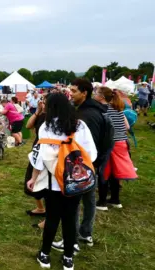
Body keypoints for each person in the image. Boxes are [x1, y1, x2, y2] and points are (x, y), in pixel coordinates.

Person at [26, 93, 97, 270]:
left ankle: (45, 255)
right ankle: (68, 258)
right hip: (75, 181)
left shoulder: (46, 127)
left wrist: (33, 178)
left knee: (52, 218)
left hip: (54, 183)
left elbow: (39, 159)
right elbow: (92, 154)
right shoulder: (80, 126)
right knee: (70, 219)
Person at [66, 78, 109, 248]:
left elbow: (87, 144)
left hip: (84, 165)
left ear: (84, 93)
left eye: (74, 91)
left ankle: (73, 238)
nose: (71, 93)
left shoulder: (86, 115)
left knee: (75, 202)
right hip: (94, 163)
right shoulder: (95, 110)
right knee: (90, 200)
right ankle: (85, 233)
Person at [94, 87, 137, 210]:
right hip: (122, 143)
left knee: (104, 171)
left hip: (110, 144)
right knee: (115, 172)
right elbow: (127, 127)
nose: (94, 95)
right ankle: (115, 200)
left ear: (102, 96)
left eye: (96, 93)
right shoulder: (118, 110)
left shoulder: (103, 111)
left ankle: (102, 202)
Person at [24, 96, 47, 229]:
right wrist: (37, 111)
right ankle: (40, 208)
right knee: (31, 180)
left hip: (47, 154)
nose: (42, 104)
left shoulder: (54, 118)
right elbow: (28, 126)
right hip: (37, 151)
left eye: (45, 102)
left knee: (46, 185)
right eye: (42, 102)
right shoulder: (41, 115)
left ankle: (48, 217)